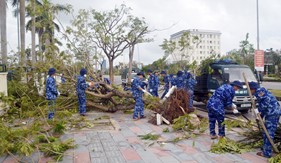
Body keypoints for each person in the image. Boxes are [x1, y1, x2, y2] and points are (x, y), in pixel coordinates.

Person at [249, 81, 281, 158]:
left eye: (249, 90)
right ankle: (266, 148)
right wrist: (261, 114)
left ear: (252, 89)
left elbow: (264, 104)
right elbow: (264, 103)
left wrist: (259, 112)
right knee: (266, 131)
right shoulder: (262, 90)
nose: (249, 92)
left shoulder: (258, 92)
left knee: (268, 133)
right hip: (273, 112)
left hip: (272, 114)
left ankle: (267, 153)